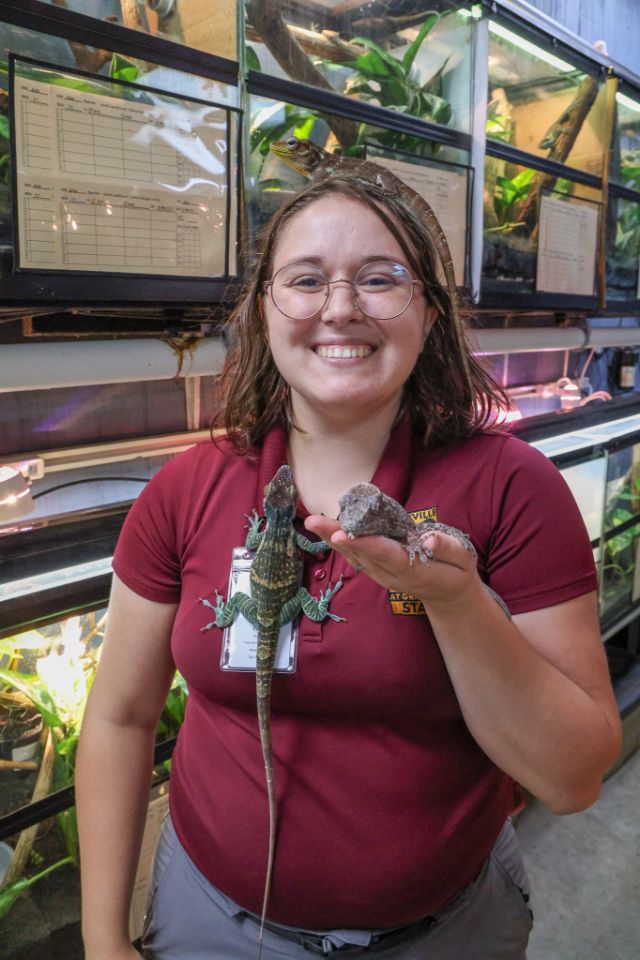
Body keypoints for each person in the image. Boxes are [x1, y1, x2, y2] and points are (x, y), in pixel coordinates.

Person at [76, 173, 621, 960]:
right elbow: (121, 716)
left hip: (448, 926)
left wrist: (456, 602)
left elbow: (572, 782)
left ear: (429, 312)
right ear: (264, 309)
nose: (340, 308)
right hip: (211, 919)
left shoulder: (511, 486)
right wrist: (101, 938)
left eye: (380, 279)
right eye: (305, 281)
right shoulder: (187, 488)